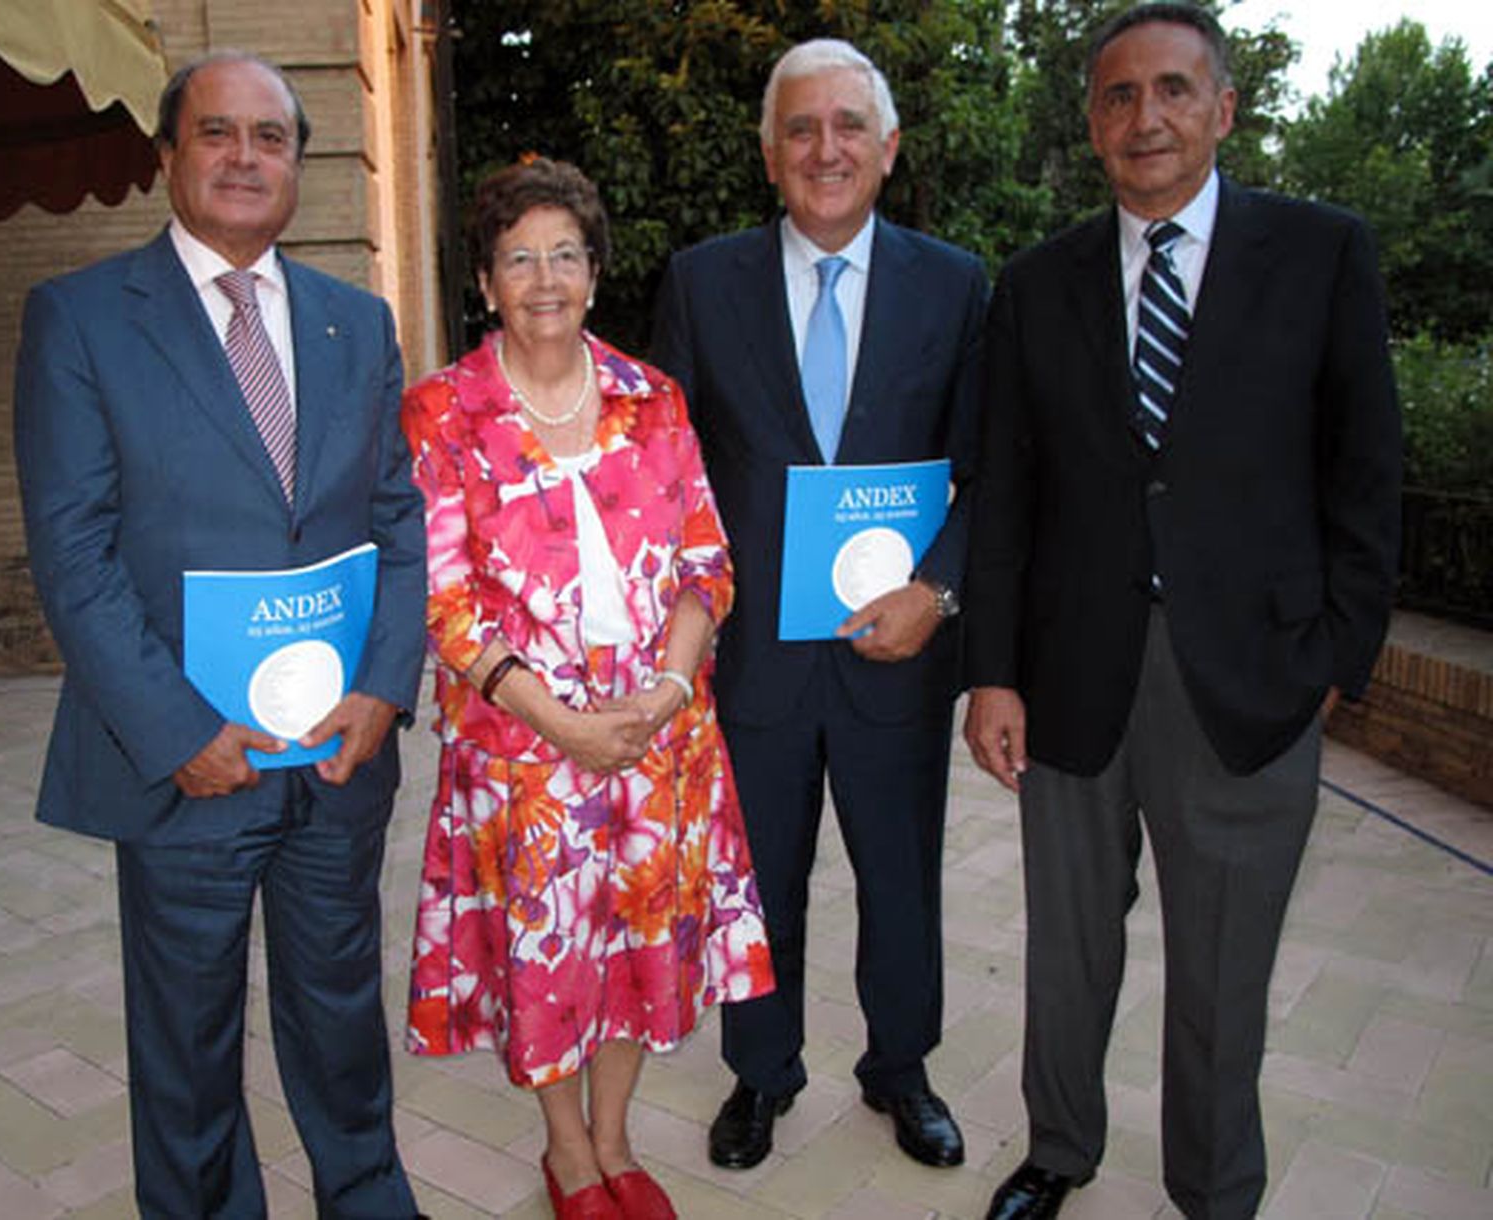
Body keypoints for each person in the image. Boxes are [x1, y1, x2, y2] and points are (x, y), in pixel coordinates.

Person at [962, 5, 1402, 1218]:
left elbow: (1365, 471)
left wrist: (1338, 654)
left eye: (1171, 89)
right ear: (1091, 122)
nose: (1144, 116)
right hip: (1070, 673)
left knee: (1222, 960)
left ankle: (1213, 1186)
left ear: (1223, 109)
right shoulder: (1037, 283)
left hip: (1248, 676)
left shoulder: (1320, 253)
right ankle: (1058, 1148)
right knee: (1067, 942)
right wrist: (991, 670)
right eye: (1117, 95)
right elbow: (1005, 492)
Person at [13, 52, 427, 1219]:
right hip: (189, 764)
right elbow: (74, 554)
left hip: (336, 757)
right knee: (188, 1039)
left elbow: (397, 519)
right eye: (216, 132)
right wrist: (179, 730)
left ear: (298, 164)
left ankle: (367, 1194)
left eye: (270, 136)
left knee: (340, 1013)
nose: (245, 157)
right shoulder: (83, 318)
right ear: (168, 156)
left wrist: (385, 686)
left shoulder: (357, 323)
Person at [403, 156, 775, 1220]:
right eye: (518, 258)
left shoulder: (651, 400)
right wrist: (561, 722)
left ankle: (616, 1140)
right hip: (524, 752)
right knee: (550, 958)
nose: (545, 278)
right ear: (485, 283)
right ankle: (567, 1151)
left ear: (595, 272)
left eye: (565, 254)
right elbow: (445, 603)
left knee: (637, 947)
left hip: (658, 736)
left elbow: (707, 561)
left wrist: (666, 689)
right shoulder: (442, 412)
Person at [652, 39, 988, 1171]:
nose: (825, 148)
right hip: (753, 658)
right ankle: (762, 1070)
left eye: (848, 126)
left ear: (888, 148)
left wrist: (939, 592)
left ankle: (901, 1068)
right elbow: (668, 478)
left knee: (901, 878)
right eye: (800, 129)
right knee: (758, 884)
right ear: (768, 154)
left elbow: (989, 468)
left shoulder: (955, 285)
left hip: (900, 650)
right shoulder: (703, 284)